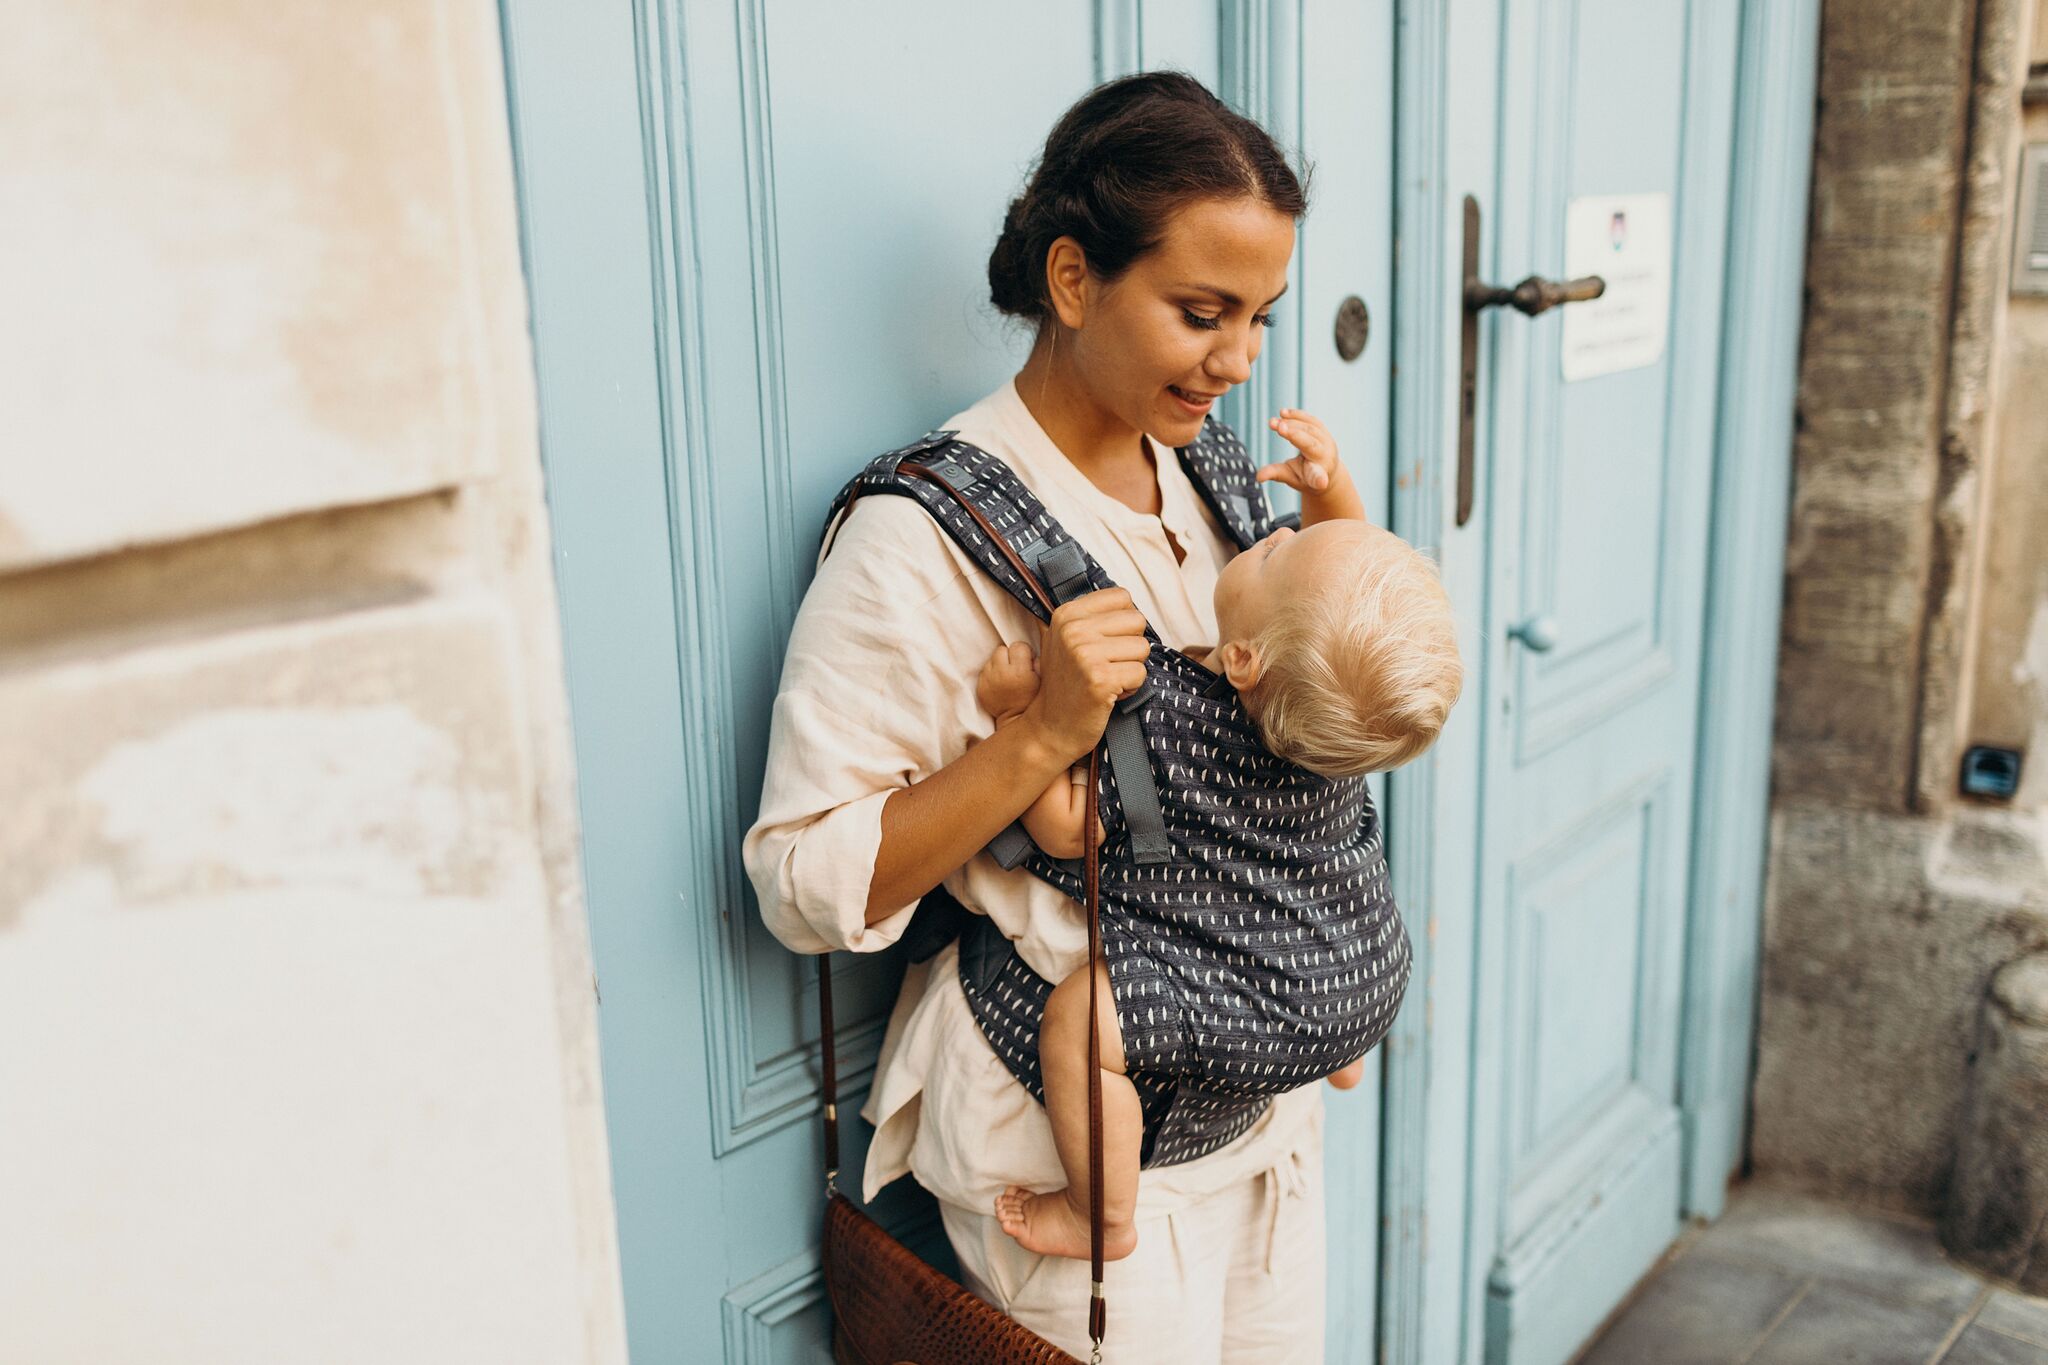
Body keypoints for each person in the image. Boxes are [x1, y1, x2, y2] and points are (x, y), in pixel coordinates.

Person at [745, 71, 1365, 1362]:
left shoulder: (1218, 485)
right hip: (1063, 1139)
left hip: (1263, 1114)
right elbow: (802, 881)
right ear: (1074, 280)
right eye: (1202, 312)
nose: (1240, 361)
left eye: (1259, 317)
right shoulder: (920, 539)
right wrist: (1033, 740)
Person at [974, 422, 1462, 1260]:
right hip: (1369, 980)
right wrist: (1329, 488)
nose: (1275, 530)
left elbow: (1062, 827)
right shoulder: (1331, 720)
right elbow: (1339, 569)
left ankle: (1102, 1214)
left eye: (1279, 552)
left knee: (1079, 1023)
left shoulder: (1159, 727)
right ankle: (1337, 1056)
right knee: (1337, 884)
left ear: (1239, 659)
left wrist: (1017, 715)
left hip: (1282, 1001)